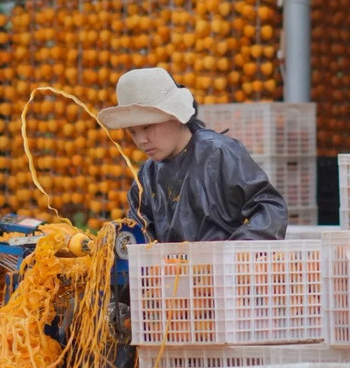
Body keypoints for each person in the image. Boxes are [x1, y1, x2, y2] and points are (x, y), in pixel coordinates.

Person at [98, 67, 288, 242]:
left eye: (147, 127)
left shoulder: (219, 154)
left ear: (175, 117)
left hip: (227, 275)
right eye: (133, 132)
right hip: (172, 277)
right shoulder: (147, 176)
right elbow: (139, 232)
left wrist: (234, 252)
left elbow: (270, 208)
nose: (141, 140)